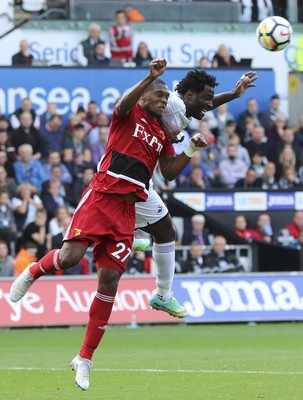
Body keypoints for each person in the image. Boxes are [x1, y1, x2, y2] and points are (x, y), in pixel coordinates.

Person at [9, 59, 209, 391]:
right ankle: (32, 273)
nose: (161, 99)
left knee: (111, 280)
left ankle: (84, 359)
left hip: (127, 209)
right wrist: (150, 78)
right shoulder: (128, 114)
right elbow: (122, 103)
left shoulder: (161, 132)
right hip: (101, 196)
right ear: (144, 95)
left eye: (164, 97)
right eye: (157, 95)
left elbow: (170, 171)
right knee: (70, 256)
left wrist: (190, 148)